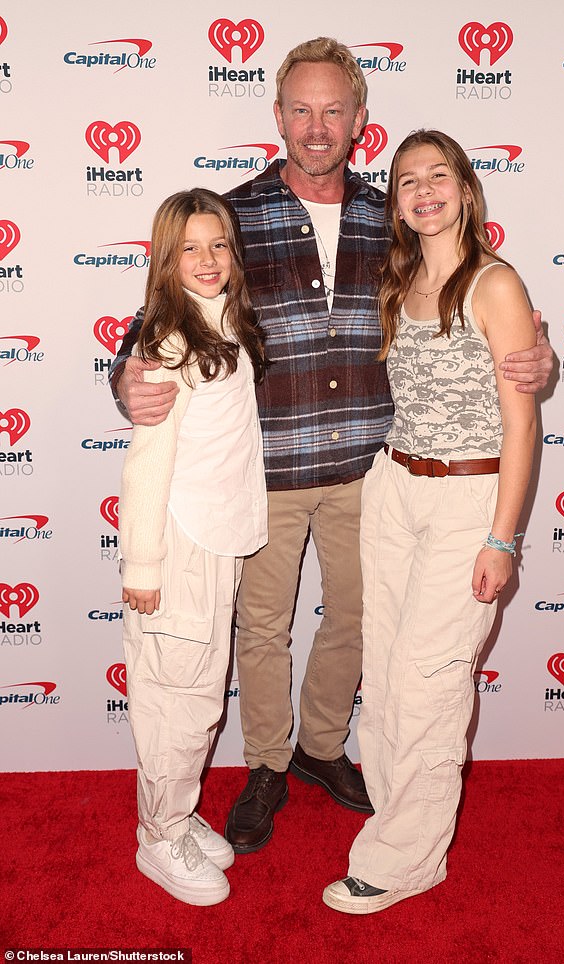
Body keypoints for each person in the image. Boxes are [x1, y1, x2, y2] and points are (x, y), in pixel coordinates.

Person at [111, 38, 553, 856]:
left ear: (359, 120)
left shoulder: (391, 214)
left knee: (356, 620)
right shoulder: (234, 215)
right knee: (263, 628)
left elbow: (462, 296)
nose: (318, 127)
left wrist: (536, 351)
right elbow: (163, 315)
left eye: (334, 110)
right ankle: (268, 763)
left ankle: (321, 747)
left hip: (369, 471)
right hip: (268, 470)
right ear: (278, 115)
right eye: (302, 110)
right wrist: (124, 377)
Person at [323, 130, 538, 914]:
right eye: (407, 179)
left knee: (427, 682)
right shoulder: (398, 279)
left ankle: (406, 861)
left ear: (465, 188)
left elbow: (523, 426)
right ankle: (399, 822)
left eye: (437, 175)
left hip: (466, 502)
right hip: (395, 486)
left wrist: (501, 538)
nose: (422, 190)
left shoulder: (495, 284)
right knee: (383, 673)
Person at [119, 188, 267, 904]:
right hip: (178, 546)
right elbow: (147, 462)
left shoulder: (227, 321)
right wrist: (144, 564)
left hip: (220, 538)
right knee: (176, 698)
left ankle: (175, 814)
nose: (208, 262)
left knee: (200, 696)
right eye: (190, 249)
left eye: (219, 246)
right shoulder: (167, 339)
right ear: (165, 257)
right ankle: (158, 837)